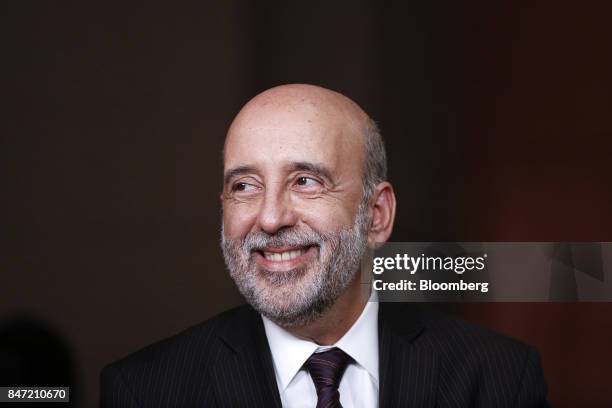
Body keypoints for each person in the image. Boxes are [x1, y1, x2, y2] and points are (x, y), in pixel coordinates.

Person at [101, 84, 548, 407]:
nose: (271, 217)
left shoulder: (498, 378)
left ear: (377, 215)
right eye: (244, 186)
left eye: (306, 181)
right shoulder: (145, 390)